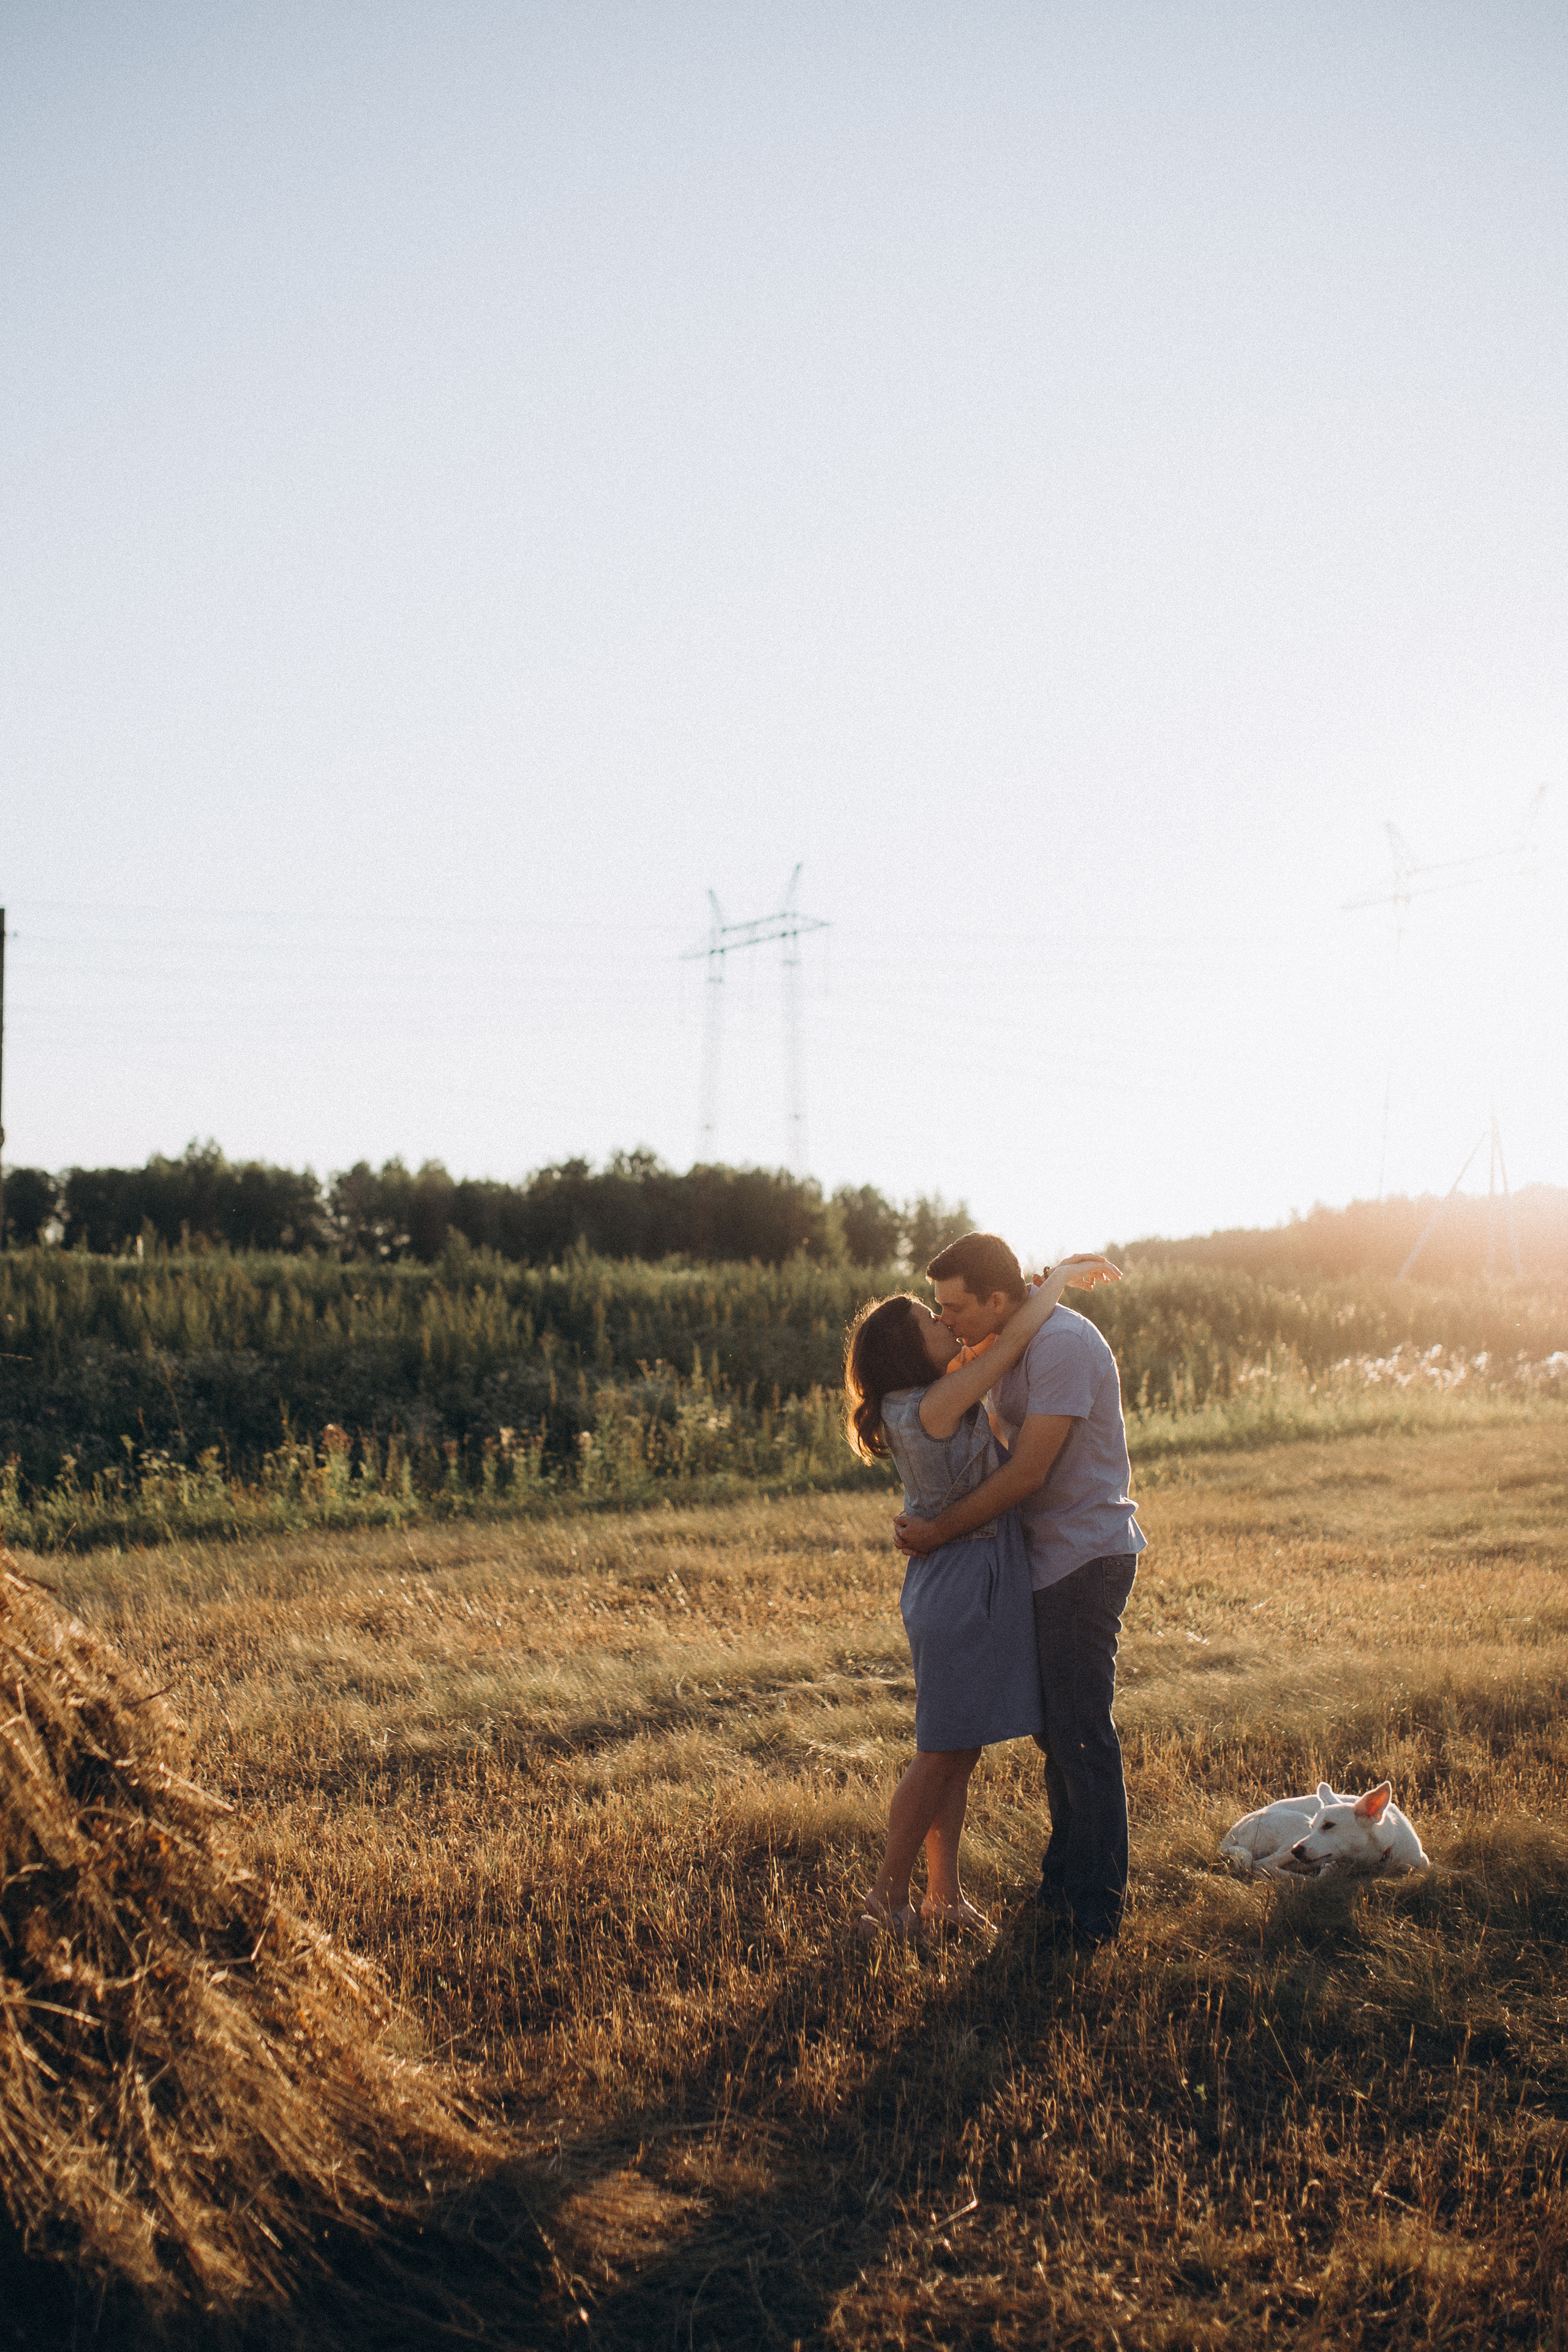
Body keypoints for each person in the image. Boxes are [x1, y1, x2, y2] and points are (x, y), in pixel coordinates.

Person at [843, 1252, 1117, 1941]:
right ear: (911, 1349)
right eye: (930, 1318)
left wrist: (1036, 1290)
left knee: (958, 1750)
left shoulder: (934, 1394)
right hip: (960, 1575)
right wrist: (1048, 1286)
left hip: (968, 1569)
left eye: (950, 1308)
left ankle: (943, 1898)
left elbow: (1010, 1355)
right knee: (942, 1750)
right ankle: (886, 1901)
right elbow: (1015, 1341)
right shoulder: (937, 1399)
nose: (943, 1321)